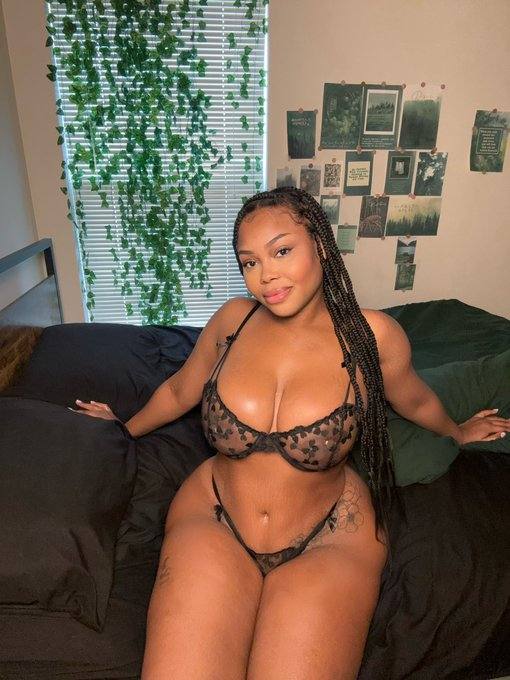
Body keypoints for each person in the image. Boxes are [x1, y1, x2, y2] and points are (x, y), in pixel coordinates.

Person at [73, 187, 510, 680]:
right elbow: (178, 391)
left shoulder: (372, 337)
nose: (266, 275)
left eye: (281, 251)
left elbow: (415, 400)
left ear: (320, 244)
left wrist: (457, 432)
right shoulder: (232, 322)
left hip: (328, 536)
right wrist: (122, 429)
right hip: (215, 517)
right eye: (250, 262)